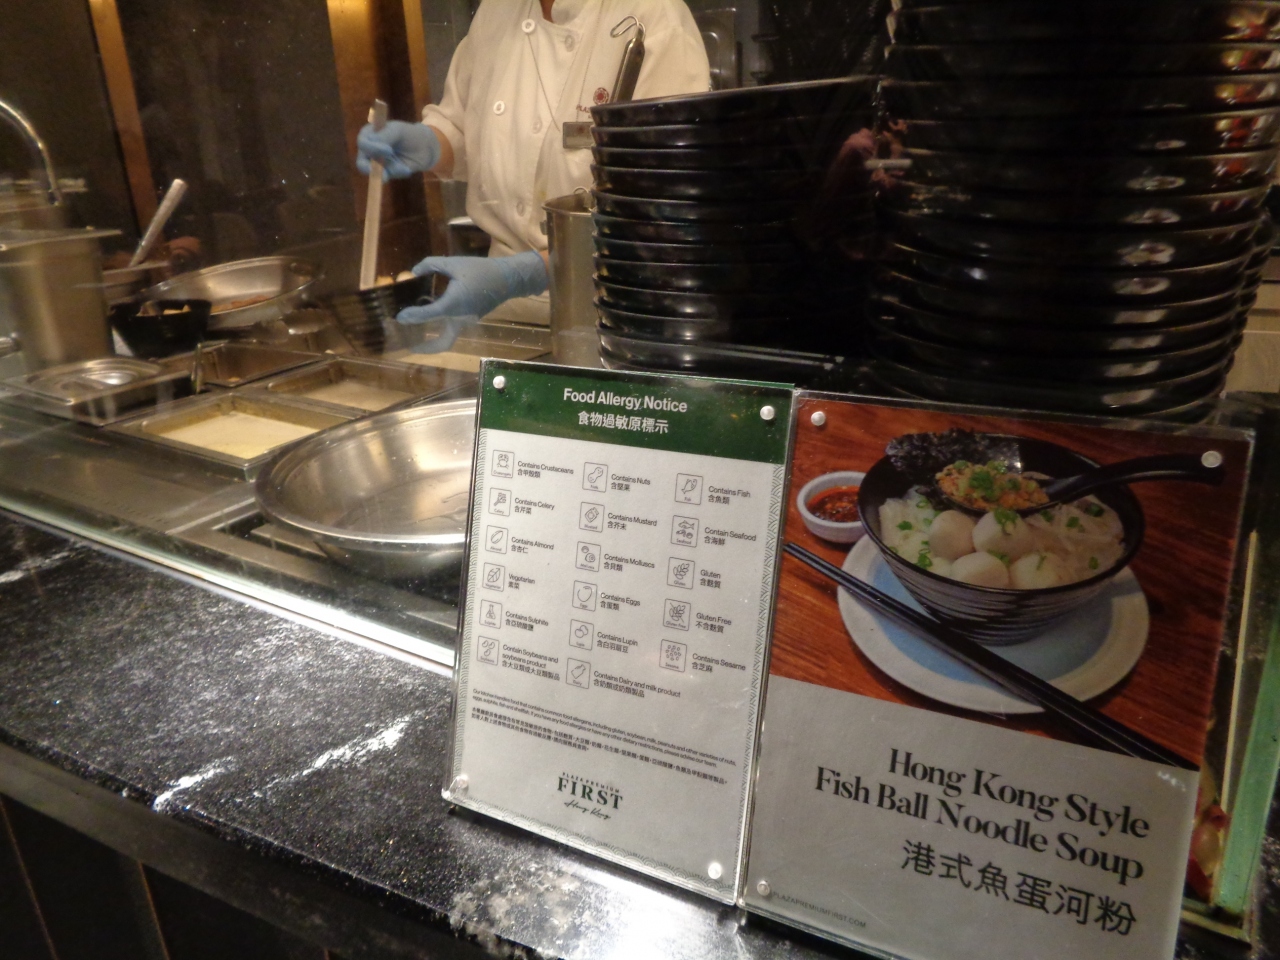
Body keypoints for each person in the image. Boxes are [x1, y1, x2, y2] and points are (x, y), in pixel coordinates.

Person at [357, 0, 710, 348]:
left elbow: (663, 211)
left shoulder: (655, 15)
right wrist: (428, 143)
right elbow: (464, 125)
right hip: (503, 317)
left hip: (617, 320)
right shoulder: (497, 11)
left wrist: (522, 274)